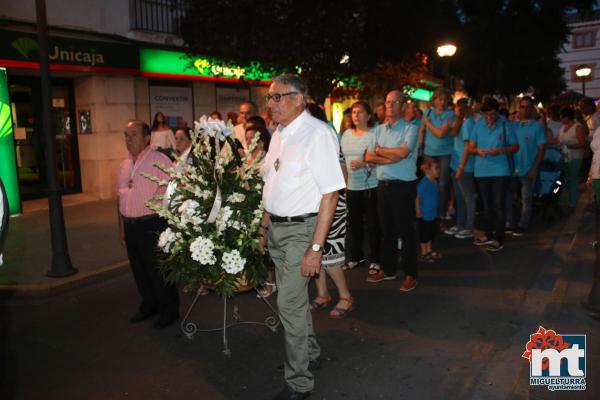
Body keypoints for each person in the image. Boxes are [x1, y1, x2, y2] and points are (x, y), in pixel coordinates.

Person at [258, 74, 345, 400]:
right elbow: (272, 182)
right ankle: (309, 352)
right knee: (291, 301)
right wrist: (265, 225)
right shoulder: (279, 134)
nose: (271, 104)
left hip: (302, 231)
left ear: (299, 98)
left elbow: (331, 195)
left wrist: (316, 248)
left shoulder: (317, 134)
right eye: (270, 97)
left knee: (289, 304)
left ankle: (299, 382)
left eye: (277, 97)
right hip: (279, 228)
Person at [117, 120, 180, 329]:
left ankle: (169, 310)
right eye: (126, 135)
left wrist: (171, 226)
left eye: (133, 134)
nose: (129, 139)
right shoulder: (124, 165)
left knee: (157, 270)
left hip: (152, 223)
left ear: (146, 138)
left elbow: (174, 191)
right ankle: (149, 304)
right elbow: (120, 198)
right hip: (131, 225)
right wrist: (122, 228)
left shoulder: (159, 160)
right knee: (139, 270)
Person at [364, 90, 419, 292]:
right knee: (387, 230)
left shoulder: (411, 129)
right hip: (383, 186)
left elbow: (404, 153)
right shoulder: (378, 130)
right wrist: (389, 155)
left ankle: (411, 273)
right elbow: (368, 156)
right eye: (387, 102)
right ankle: (388, 270)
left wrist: (380, 151)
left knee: (406, 231)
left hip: (403, 186)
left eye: (394, 102)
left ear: (403, 106)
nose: (389, 105)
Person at [304, 102, 354, 319]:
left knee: (330, 254)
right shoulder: (306, 141)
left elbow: (342, 178)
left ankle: (346, 296)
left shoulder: (327, 139)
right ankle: (323, 294)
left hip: (332, 205)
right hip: (311, 205)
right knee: (316, 252)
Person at [469, 98, 519, 252]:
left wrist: (501, 150)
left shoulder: (505, 124)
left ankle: (499, 238)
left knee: (498, 204)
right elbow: (470, 147)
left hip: (500, 170)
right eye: (486, 115)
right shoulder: (478, 125)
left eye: (492, 114)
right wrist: (478, 151)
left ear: (497, 112)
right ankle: (488, 234)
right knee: (487, 205)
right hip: (482, 170)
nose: (489, 118)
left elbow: (515, 146)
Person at [341, 101, 380, 273]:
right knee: (354, 224)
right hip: (351, 186)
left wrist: (365, 163)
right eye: (354, 112)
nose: (356, 115)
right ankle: (356, 257)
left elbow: (380, 160)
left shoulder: (373, 134)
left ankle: (376, 259)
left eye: (360, 112)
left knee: (373, 224)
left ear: (369, 116)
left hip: (370, 185)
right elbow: (342, 160)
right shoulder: (346, 134)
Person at [505, 96, 546, 236]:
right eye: (522, 107)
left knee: (526, 200)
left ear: (532, 108)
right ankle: (509, 222)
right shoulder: (512, 125)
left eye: (528, 107)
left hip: (528, 168)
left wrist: (534, 168)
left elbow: (541, 149)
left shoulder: (537, 127)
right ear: (518, 108)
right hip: (512, 169)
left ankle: (523, 224)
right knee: (507, 196)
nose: (525, 109)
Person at [420, 87, 456, 221]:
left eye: (445, 100)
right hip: (429, 152)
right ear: (434, 100)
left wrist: (428, 123)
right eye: (439, 99)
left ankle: (441, 212)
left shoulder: (450, 114)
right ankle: (428, 210)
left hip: (444, 152)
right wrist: (420, 146)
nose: (442, 102)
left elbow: (441, 133)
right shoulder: (428, 112)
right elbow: (422, 131)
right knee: (428, 183)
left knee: (442, 184)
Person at [445, 98, 475, 239]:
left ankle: (469, 227)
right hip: (456, 165)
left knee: (467, 198)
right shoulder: (461, 122)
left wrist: (461, 167)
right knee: (459, 197)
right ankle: (460, 224)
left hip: (464, 167)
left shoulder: (468, 123)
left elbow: (467, 148)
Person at [557, 106, 586, 209]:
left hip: (575, 156)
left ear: (567, 117)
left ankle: (573, 202)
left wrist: (570, 146)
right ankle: (564, 201)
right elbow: (557, 139)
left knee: (572, 179)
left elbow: (582, 143)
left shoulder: (578, 127)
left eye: (561, 116)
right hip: (564, 157)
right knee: (564, 179)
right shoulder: (563, 127)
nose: (560, 118)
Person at [416, 159, 440, 262]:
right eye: (436, 168)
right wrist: (418, 211)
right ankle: (424, 253)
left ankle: (429, 250)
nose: (439, 170)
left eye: (438, 168)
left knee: (431, 233)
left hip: (433, 213)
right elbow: (417, 198)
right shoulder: (424, 182)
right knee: (424, 234)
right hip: (425, 214)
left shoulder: (434, 181)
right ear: (428, 170)